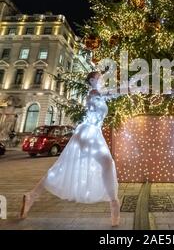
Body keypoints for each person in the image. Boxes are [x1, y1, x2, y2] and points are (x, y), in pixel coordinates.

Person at [20, 71, 121, 226]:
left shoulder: (98, 93)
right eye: (100, 78)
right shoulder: (95, 93)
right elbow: (113, 93)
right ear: (93, 80)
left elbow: (114, 93)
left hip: (91, 133)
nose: (103, 80)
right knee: (106, 163)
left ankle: (31, 196)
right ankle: (114, 204)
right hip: (88, 133)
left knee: (63, 168)